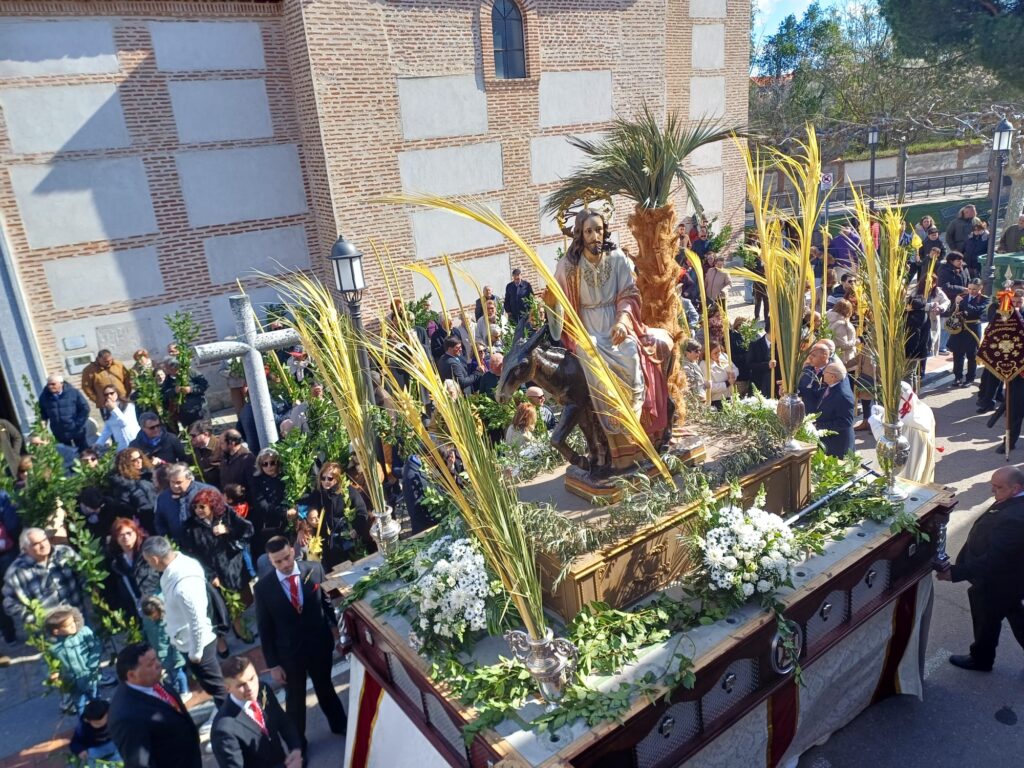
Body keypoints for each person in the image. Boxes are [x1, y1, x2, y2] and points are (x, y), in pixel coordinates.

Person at [548, 209, 673, 469]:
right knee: (591, 356)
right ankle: (612, 433)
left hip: (616, 324)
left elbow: (629, 293)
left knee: (630, 352)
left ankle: (636, 419)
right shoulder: (569, 267)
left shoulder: (617, 259)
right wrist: (552, 304)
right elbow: (559, 306)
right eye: (589, 231)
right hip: (588, 329)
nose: (595, 236)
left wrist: (622, 322)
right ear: (580, 235)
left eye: (599, 230)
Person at [254, 537, 347, 753]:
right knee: (295, 702)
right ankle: (299, 747)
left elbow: (326, 604)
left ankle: (340, 725)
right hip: (289, 655)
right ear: (270, 561)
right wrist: (273, 664)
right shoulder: (263, 589)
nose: (285, 564)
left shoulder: (314, 570)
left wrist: (341, 633)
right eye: (278, 562)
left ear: (292, 551)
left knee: (326, 688)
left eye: (287, 558)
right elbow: (264, 629)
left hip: (319, 645)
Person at [936, 466, 1024, 672]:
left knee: (986, 618)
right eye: (992, 486)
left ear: (1016, 488)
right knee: (1015, 613)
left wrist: (956, 572)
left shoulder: (1015, 517)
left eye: (998, 488)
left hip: (998, 581)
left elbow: (995, 559)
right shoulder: (1013, 502)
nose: (993, 492)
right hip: (1010, 579)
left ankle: (981, 659)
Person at [141, 536, 227, 709]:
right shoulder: (183, 563)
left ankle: (232, 717)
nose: (149, 565)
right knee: (213, 687)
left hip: (198, 645)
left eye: (148, 561)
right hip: (190, 641)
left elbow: (197, 621)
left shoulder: (183, 585)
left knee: (217, 688)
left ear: (155, 559)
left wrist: (196, 653)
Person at [109, 642, 202, 768]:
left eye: (156, 659)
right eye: (150, 664)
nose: (158, 665)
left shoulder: (151, 681)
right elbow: (140, 763)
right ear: (131, 675)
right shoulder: (126, 717)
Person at [212, 655, 303, 768]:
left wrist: (295, 748)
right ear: (227, 688)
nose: (250, 688)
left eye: (252, 678)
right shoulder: (224, 730)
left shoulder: (263, 690)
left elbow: (283, 721)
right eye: (241, 685)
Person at [2, 528, 84, 630]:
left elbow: (83, 575)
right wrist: (34, 619)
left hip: (77, 620)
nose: (43, 545)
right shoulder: (16, 572)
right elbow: (9, 603)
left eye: (45, 540)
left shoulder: (64, 553)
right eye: (36, 544)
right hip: (49, 631)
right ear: (25, 549)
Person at [869, 382, 936, 484]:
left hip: (901, 463)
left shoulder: (901, 422)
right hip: (920, 457)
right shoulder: (924, 409)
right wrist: (884, 413)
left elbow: (886, 442)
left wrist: (874, 422)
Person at [45, 605, 102, 714]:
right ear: (56, 631)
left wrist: (93, 665)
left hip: (89, 675)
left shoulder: (84, 633)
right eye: (69, 625)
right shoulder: (53, 647)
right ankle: (84, 723)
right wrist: (52, 673)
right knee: (79, 703)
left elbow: (96, 647)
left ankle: (101, 719)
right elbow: (48, 663)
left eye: (73, 622)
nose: (74, 626)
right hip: (72, 680)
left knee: (95, 698)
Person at [140, 595, 190, 702]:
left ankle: (184, 691)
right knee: (170, 674)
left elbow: (175, 640)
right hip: (160, 655)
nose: (151, 618)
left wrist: (177, 658)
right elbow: (146, 633)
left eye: (153, 615)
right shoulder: (148, 621)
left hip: (172, 654)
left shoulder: (168, 621)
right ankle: (176, 690)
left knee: (178, 673)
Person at [154, 463, 217, 544]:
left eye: (179, 482)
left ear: (189, 479)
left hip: (209, 543)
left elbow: (224, 513)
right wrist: (168, 540)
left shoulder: (207, 491)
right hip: (181, 545)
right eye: (172, 482)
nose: (175, 486)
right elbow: (159, 522)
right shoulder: (163, 497)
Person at [247, 448, 289, 556]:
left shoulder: (286, 477)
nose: (269, 466)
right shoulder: (257, 481)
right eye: (265, 464)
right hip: (271, 522)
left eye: (272, 463)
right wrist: (283, 512)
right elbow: (262, 505)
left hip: (288, 521)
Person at [948, 278, 988, 387]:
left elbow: (975, 311)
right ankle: (957, 377)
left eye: (974, 289)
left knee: (971, 355)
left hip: (972, 329)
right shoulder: (963, 297)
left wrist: (963, 303)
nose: (971, 291)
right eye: (969, 288)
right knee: (957, 354)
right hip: (960, 329)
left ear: (980, 288)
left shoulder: (984, 299)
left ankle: (970, 378)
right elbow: (952, 312)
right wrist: (956, 303)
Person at [38, 374, 91, 450]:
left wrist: (77, 424)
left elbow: (85, 409)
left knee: (84, 452)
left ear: (61, 384)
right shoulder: (44, 397)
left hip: (77, 430)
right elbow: (42, 413)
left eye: (53, 384)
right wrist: (43, 429)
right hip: (59, 432)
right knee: (66, 454)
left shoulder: (73, 393)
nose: (50, 386)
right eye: (48, 384)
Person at [815, 361, 856, 458]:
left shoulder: (843, 395)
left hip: (838, 444)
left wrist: (819, 426)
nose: (823, 373)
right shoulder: (834, 386)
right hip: (830, 440)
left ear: (833, 377)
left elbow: (845, 422)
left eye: (826, 372)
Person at [70, 698, 122, 767]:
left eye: (107, 719)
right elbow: (75, 743)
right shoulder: (83, 727)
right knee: (91, 759)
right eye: (98, 724)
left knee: (119, 759)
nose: (104, 723)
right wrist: (80, 750)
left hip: (113, 744)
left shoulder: (112, 715)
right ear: (87, 721)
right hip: (96, 749)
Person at [0, 491, 23, 648]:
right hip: (7, 553)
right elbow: (13, 524)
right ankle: (38, 630)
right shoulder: (2, 496)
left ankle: (9, 635)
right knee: (21, 590)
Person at [936, 251, 970, 354]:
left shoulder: (964, 269)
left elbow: (968, 280)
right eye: (958, 260)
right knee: (946, 324)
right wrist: (962, 289)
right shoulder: (944, 270)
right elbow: (945, 286)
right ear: (951, 261)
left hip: (961, 301)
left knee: (956, 323)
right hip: (949, 301)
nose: (961, 262)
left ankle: (950, 345)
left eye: (961, 260)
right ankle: (941, 347)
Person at [905, 294, 931, 385]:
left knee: (908, 375)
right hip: (921, 351)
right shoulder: (925, 315)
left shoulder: (912, 318)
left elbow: (913, 338)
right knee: (913, 374)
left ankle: (909, 397)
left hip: (911, 352)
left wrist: (909, 354)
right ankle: (914, 394)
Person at [797, 343, 830, 413]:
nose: (809, 357)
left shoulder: (831, 373)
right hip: (806, 413)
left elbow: (820, 395)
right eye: (810, 354)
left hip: (821, 416)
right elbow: (801, 387)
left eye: (813, 355)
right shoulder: (808, 369)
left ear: (824, 357)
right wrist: (790, 390)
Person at [187, 421, 221, 488]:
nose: (190, 439)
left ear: (206, 434)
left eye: (193, 436)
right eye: (189, 436)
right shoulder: (195, 448)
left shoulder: (220, 447)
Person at [826, 299, 857, 367]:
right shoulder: (841, 324)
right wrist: (855, 341)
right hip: (844, 360)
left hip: (832, 357)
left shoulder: (828, 318)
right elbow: (843, 345)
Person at [707, 339, 737, 408]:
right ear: (709, 353)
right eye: (715, 353)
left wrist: (733, 374)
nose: (718, 355)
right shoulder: (705, 364)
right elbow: (709, 387)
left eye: (719, 352)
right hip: (717, 400)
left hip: (730, 396)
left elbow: (735, 369)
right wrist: (727, 383)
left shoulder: (724, 356)